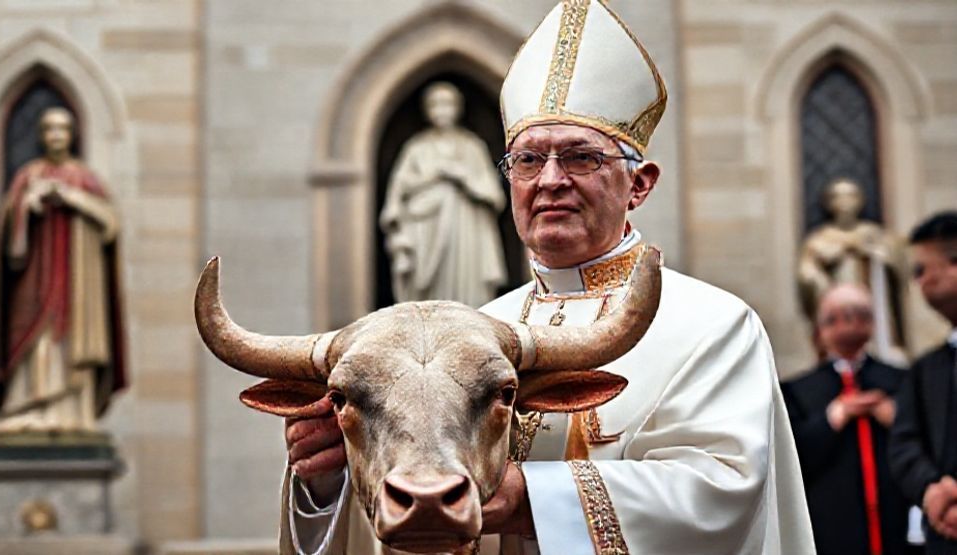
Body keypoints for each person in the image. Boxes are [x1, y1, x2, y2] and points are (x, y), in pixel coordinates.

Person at [280, 1, 814, 553]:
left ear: (640, 185)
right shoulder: (482, 330)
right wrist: (330, 482)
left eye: (581, 157)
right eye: (529, 160)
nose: (551, 180)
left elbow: (721, 490)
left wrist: (530, 496)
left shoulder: (713, 324)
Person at [0, 106, 127, 434]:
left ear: (72, 135)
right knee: (33, 338)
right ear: (41, 136)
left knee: (70, 341)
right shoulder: (28, 176)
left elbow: (110, 224)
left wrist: (71, 198)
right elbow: (9, 233)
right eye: (50, 130)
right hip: (36, 279)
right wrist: (28, 205)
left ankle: (72, 414)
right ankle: (29, 406)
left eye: (63, 130)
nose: (56, 136)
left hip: (77, 286)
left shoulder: (85, 179)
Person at [783, 284, 909, 555]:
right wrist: (833, 418)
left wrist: (895, 418)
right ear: (820, 329)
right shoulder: (797, 390)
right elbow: (791, 458)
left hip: (896, 521)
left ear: (872, 322)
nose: (847, 323)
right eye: (834, 317)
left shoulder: (902, 380)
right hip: (831, 522)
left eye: (858, 314)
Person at [379, 82, 508, 308]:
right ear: (427, 110)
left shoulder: (471, 147)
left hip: (466, 231)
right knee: (425, 301)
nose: (442, 110)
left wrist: (463, 176)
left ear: (457, 108)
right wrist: (432, 176)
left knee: (467, 295)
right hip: (425, 231)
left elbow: (494, 195)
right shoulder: (416, 148)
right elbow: (397, 193)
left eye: (447, 104)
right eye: (435, 105)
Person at [890, 211, 957, 554]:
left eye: (922, 269)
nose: (918, 283)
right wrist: (931, 490)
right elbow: (903, 444)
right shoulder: (926, 369)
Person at [798, 178, 907, 365]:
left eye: (850, 196)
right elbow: (807, 276)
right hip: (838, 302)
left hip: (875, 311)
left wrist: (875, 256)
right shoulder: (820, 240)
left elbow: (897, 266)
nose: (845, 202)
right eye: (838, 197)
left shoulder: (873, 234)